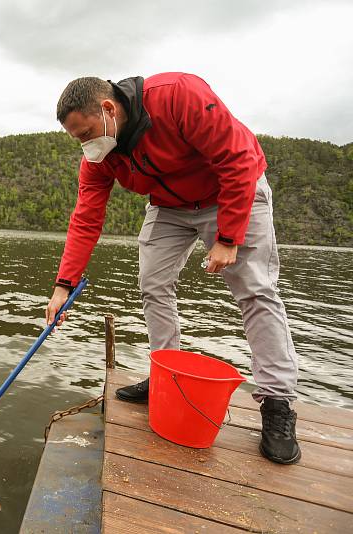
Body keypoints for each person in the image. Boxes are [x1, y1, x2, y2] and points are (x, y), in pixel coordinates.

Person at [45, 72, 301, 464]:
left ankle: (278, 402)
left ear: (109, 109)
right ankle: (166, 376)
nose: (85, 145)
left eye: (86, 133)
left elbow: (238, 159)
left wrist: (228, 236)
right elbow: (86, 218)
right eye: (76, 138)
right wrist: (64, 285)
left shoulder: (178, 96)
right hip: (169, 205)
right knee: (153, 283)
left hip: (231, 189)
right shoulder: (100, 157)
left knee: (255, 290)